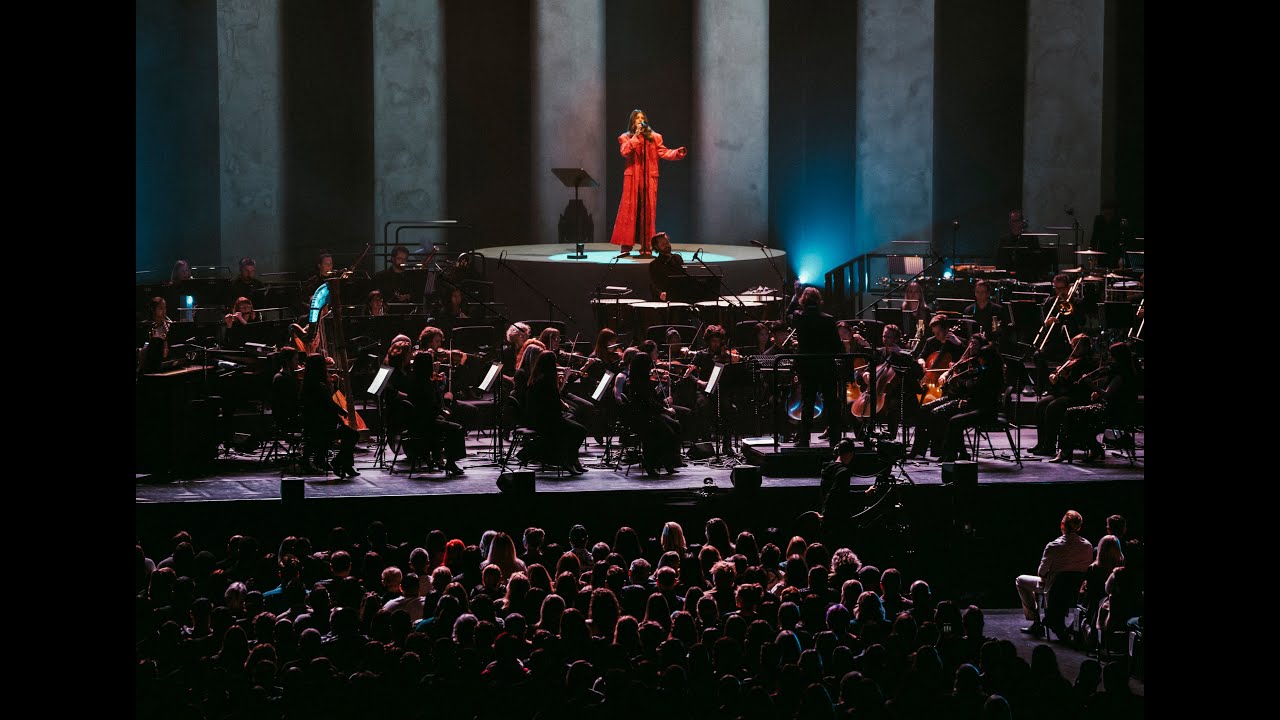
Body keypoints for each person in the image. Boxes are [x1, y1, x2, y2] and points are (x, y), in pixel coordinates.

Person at [608, 109, 688, 256]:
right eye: (637, 118)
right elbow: (625, 152)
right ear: (633, 122)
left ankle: (646, 246)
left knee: (648, 212)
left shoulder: (655, 137)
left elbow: (664, 152)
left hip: (649, 178)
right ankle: (626, 246)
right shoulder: (625, 137)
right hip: (633, 178)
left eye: (642, 117)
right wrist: (636, 137)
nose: (640, 120)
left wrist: (677, 153)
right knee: (630, 210)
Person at [1051, 342, 1138, 463]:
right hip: (1114, 409)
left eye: (1111, 355)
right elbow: (1114, 393)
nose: (1109, 358)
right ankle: (1092, 448)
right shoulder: (1127, 371)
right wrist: (1098, 393)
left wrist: (1091, 385)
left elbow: (1108, 395)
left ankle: (1066, 451)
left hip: (1112, 412)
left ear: (1117, 357)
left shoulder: (1120, 374)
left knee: (1071, 414)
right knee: (1078, 417)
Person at [1015, 510, 1093, 637]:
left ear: (1062, 525)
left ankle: (1036, 621)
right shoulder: (1088, 546)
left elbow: (1041, 572)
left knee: (1020, 580)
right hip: (1076, 590)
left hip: (1053, 589)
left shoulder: (1053, 546)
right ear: (1079, 527)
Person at [790, 287, 843, 448]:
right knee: (832, 403)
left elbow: (789, 313)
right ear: (819, 301)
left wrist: (795, 296)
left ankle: (804, 439)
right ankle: (835, 440)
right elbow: (837, 346)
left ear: (803, 301)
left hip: (807, 366)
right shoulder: (829, 319)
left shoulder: (799, 317)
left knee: (807, 402)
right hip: (826, 365)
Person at [525, 350, 589, 474]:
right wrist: (564, 380)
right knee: (580, 431)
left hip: (540, 419)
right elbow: (555, 401)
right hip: (548, 422)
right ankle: (568, 460)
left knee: (572, 422)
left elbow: (553, 398)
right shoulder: (546, 381)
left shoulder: (537, 378)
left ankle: (573, 460)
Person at [300, 353, 359, 478]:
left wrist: (333, 386)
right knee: (353, 434)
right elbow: (328, 405)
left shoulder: (309, 383)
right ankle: (340, 462)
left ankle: (346, 465)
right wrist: (341, 412)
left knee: (348, 432)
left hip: (317, 424)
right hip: (321, 427)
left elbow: (327, 402)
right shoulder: (319, 385)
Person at [997, 209, 1043, 281]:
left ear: (1022, 222)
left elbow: (1036, 260)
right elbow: (1000, 260)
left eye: (1017, 221)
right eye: (1012, 221)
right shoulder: (1004, 240)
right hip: (1008, 276)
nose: (1014, 224)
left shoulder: (1031, 238)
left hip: (1027, 276)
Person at [648, 232, 685, 301]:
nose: (667, 245)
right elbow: (653, 285)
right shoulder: (654, 264)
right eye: (663, 244)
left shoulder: (678, 258)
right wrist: (660, 294)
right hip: (666, 299)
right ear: (656, 247)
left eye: (667, 242)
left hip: (681, 296)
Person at [1090, 200, 1122, 267]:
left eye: (1109, 213)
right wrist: (1092, 253)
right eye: (1106, 213)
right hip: (1102, 251)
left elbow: (1120, 237)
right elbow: (1094, 237)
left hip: (1114, 251)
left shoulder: (1117, 220)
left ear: (1113, 211)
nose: (1107, 215)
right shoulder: (1099, 220)